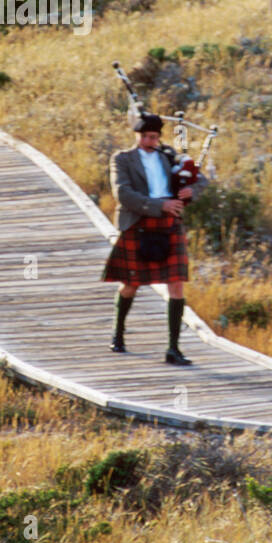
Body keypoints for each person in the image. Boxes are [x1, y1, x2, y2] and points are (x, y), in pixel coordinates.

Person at [100, 112, 207, 365]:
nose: (151, 141)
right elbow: (123, 194)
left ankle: (173, 349)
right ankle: (118, 334)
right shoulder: (122, 159)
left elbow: (200, 178)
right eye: (147, 136)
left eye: (155, 137)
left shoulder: (168, 156)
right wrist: (160, 206)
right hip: (139, 223)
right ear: (137, 135)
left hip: (169, 225)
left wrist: (192, 190)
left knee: (176, 283)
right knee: (131, 283)